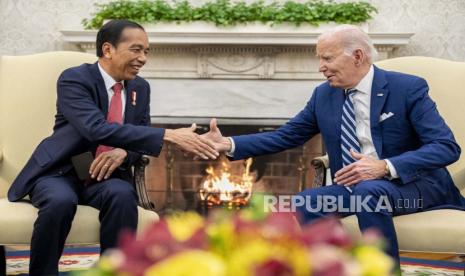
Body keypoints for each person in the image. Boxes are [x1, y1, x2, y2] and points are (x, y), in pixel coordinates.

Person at [203, 25, 465, 267]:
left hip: (414, 186)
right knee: (306, 202)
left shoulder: (406, 88)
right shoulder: (324, 95)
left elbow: (446, 147)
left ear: (358, 56)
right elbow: (287, 135)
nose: (321, 67)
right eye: (320, 59)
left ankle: (384, 271)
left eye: (327, 58)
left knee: (369, 192)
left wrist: (384, 166)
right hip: (360, 189)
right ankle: (331, 269)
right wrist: (228, 143)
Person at [7, 20, 218, 275]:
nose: (143, 58)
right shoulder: (74, 79)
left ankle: (115, 271)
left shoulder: (141, 87)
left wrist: (124, 152)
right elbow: (94, 128)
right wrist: (167, 134)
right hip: (60, 171)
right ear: (108, 50)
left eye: (146, 51)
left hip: (104, 177)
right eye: (136, 50)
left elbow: (139, 138)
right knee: (60, 201)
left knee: (121, 195)